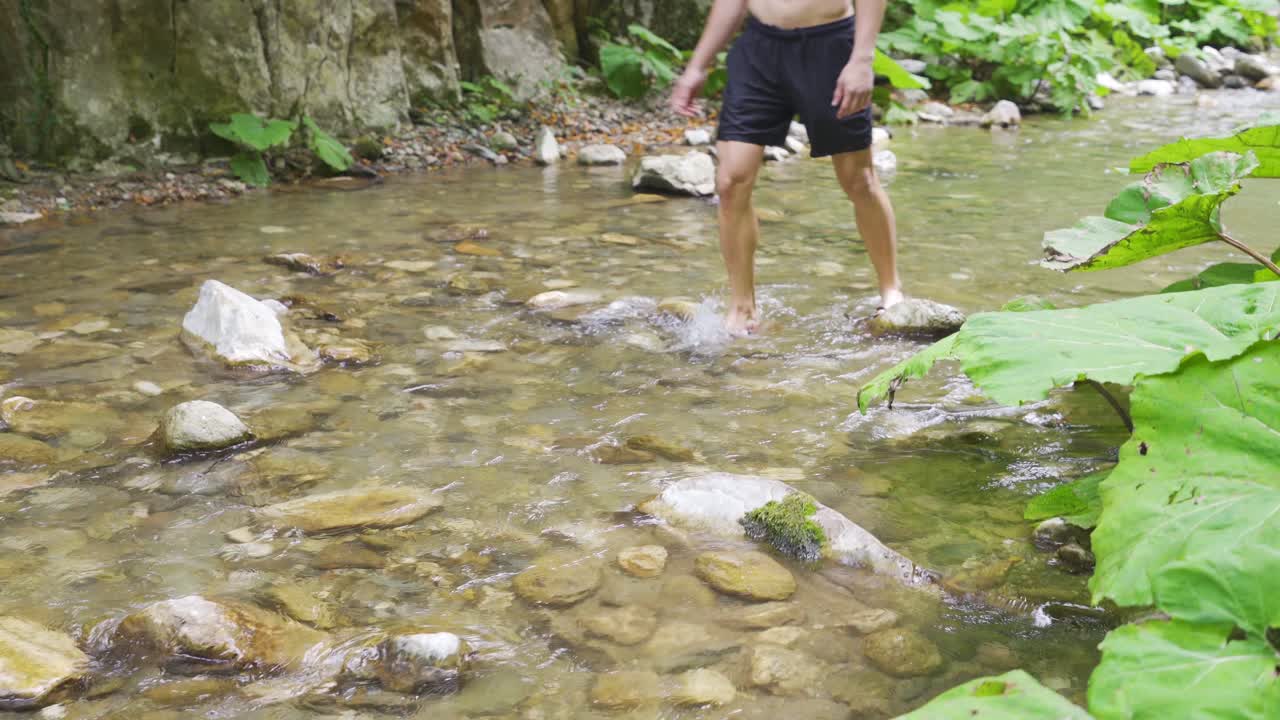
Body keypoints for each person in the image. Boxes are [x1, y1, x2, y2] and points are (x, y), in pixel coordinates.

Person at [670, 0, 902, 335]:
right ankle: (742, 308)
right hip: (759, 51)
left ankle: (891, 289)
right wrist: (697, 65)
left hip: (831, 47)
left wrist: (862, 58)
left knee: (858, 180)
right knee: (730, 181)